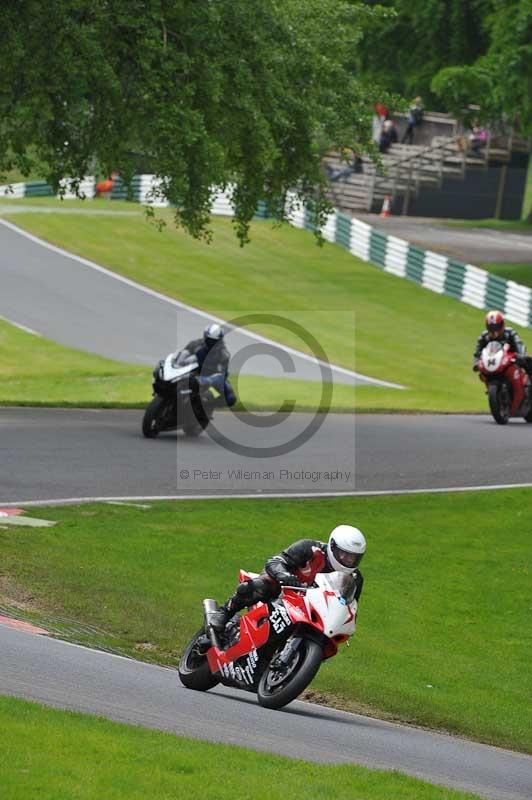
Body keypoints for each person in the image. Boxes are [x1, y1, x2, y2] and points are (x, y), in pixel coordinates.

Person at [210, 525, 366, 633]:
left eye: (352, 557)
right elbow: (275, 561)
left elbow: (349, 607)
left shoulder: (355, 579)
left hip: (311, 609)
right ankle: (224, 613)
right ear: (333, 546)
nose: (346, 559)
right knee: (260, 586)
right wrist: (284, 576)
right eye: (343, 553)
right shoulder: (310, 548)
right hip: (283, 590)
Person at [182, 322, 237, 407]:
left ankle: (207, 408)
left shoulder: (223, 354)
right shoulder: (195, 344)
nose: (212, 343)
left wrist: (204, 380)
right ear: (205, 337)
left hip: (210, 379)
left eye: (214, 341)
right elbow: (182, 356)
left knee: (230, 398)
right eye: (210, 340)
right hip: (192, 374)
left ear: (220, 340)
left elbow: (220, 376)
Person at [473, 310, 532, 376]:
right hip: (494, 365)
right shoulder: (484, 337)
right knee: (482, 375)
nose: (495, 331)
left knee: (528, 360)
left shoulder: (510, 333)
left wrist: (521, 355)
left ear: (502, 325)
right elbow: (477, 353)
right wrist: (476, 363)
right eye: (491, 328)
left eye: (497, 327)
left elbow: (519, 345)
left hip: (513, 363)